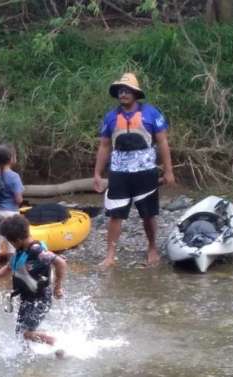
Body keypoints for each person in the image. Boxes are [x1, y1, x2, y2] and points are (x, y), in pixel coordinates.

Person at [93, 72, 175, 269]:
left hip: (145, 172)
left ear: (135, 94)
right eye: (121, 91)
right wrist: (97, 173)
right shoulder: (111, 117)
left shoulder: (151, 114)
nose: (123, 94)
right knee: (115, 215)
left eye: (127, 91)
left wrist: (168, 171)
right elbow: (104, 146)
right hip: (119, 173)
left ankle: (152, 247)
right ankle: (110, 255)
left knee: (148, 214)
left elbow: (163, 142)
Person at [0, 215, 67, 347]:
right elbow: (9, 267)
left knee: (26, 333)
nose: (10, 245)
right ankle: (36, 354)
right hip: (27, 298)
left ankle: (57, 344)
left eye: (10, 242)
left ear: (17, 240)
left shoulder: (37, 251)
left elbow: (61, 263)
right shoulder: (21, 250)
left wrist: (57, 287)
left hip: (40, 298)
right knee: (20, 333)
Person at [0, 144, 24, 273]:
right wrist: (20, 200)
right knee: (11, 244)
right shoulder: (14, 177)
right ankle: (13, 272)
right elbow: (18, 200)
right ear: (11, 158)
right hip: (11, 213)